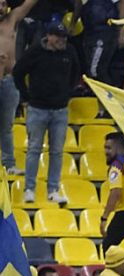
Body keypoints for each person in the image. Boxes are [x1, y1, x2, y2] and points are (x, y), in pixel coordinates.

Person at [11, 20, 79, 205]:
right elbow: (18, 73)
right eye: (58, 36)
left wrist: (67, 93)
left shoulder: (70, 52)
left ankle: (53, 190)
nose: (61, 40)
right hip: (37, 109)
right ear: (48, 36)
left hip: (60, 110)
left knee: (57, 152)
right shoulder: (35, 52)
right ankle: (29, 189)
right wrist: (26, 96)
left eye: (63, 37)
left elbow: (76, 73)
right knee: (34, 149)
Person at [0, 0, 39, 175]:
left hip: (9, 80)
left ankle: (9, 164)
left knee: (6, 126)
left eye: (2, 4)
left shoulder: (13, 18)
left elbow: (29, 3)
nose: (0, 8)